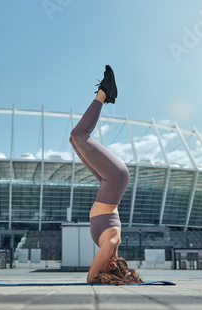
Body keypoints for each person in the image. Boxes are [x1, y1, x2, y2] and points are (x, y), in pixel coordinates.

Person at [69, 65, 143, 285]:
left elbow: (96, 275)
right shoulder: (111, 243)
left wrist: (109, 278)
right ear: (112, 266)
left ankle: (106, 95)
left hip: (107, 182)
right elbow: (91, 278)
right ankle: (104, 92)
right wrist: (106, 278)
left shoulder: (108, 246)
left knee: (74, 140)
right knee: (79, 134)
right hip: (115, 179)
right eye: (109, 268)